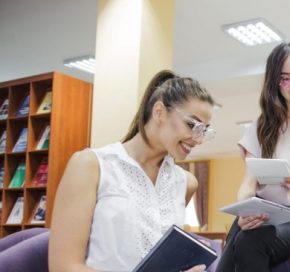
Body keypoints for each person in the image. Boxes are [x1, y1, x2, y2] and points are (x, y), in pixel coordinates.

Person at [49, 70, 217, 272]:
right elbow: (63, 267)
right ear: (159, 112)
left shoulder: (186, 183)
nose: (198, 139)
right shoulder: (91, 165)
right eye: (192, 125)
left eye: (204, 131)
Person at [216, 42, 290, 272]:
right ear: (275, 83)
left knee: (250, 241)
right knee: (243, 238)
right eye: (285, 78)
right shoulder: (263, 126)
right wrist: (246, 211)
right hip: (263, 216)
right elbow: (248, 184)